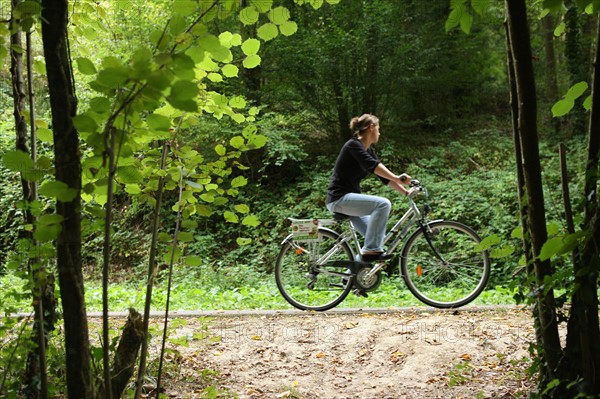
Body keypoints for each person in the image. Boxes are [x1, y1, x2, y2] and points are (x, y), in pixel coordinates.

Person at [326, 114, 412, 262]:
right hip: (339, 198)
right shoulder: (353, 145)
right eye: (378, 129)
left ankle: (349, 277)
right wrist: (397, 177)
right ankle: (371, 251)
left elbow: (384, 178)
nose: (379, 132)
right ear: (371, 127)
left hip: (349, 201)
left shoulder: (368, 150)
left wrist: (405, 192)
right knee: (383, 204)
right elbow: (374, 167)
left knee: (378, 240)